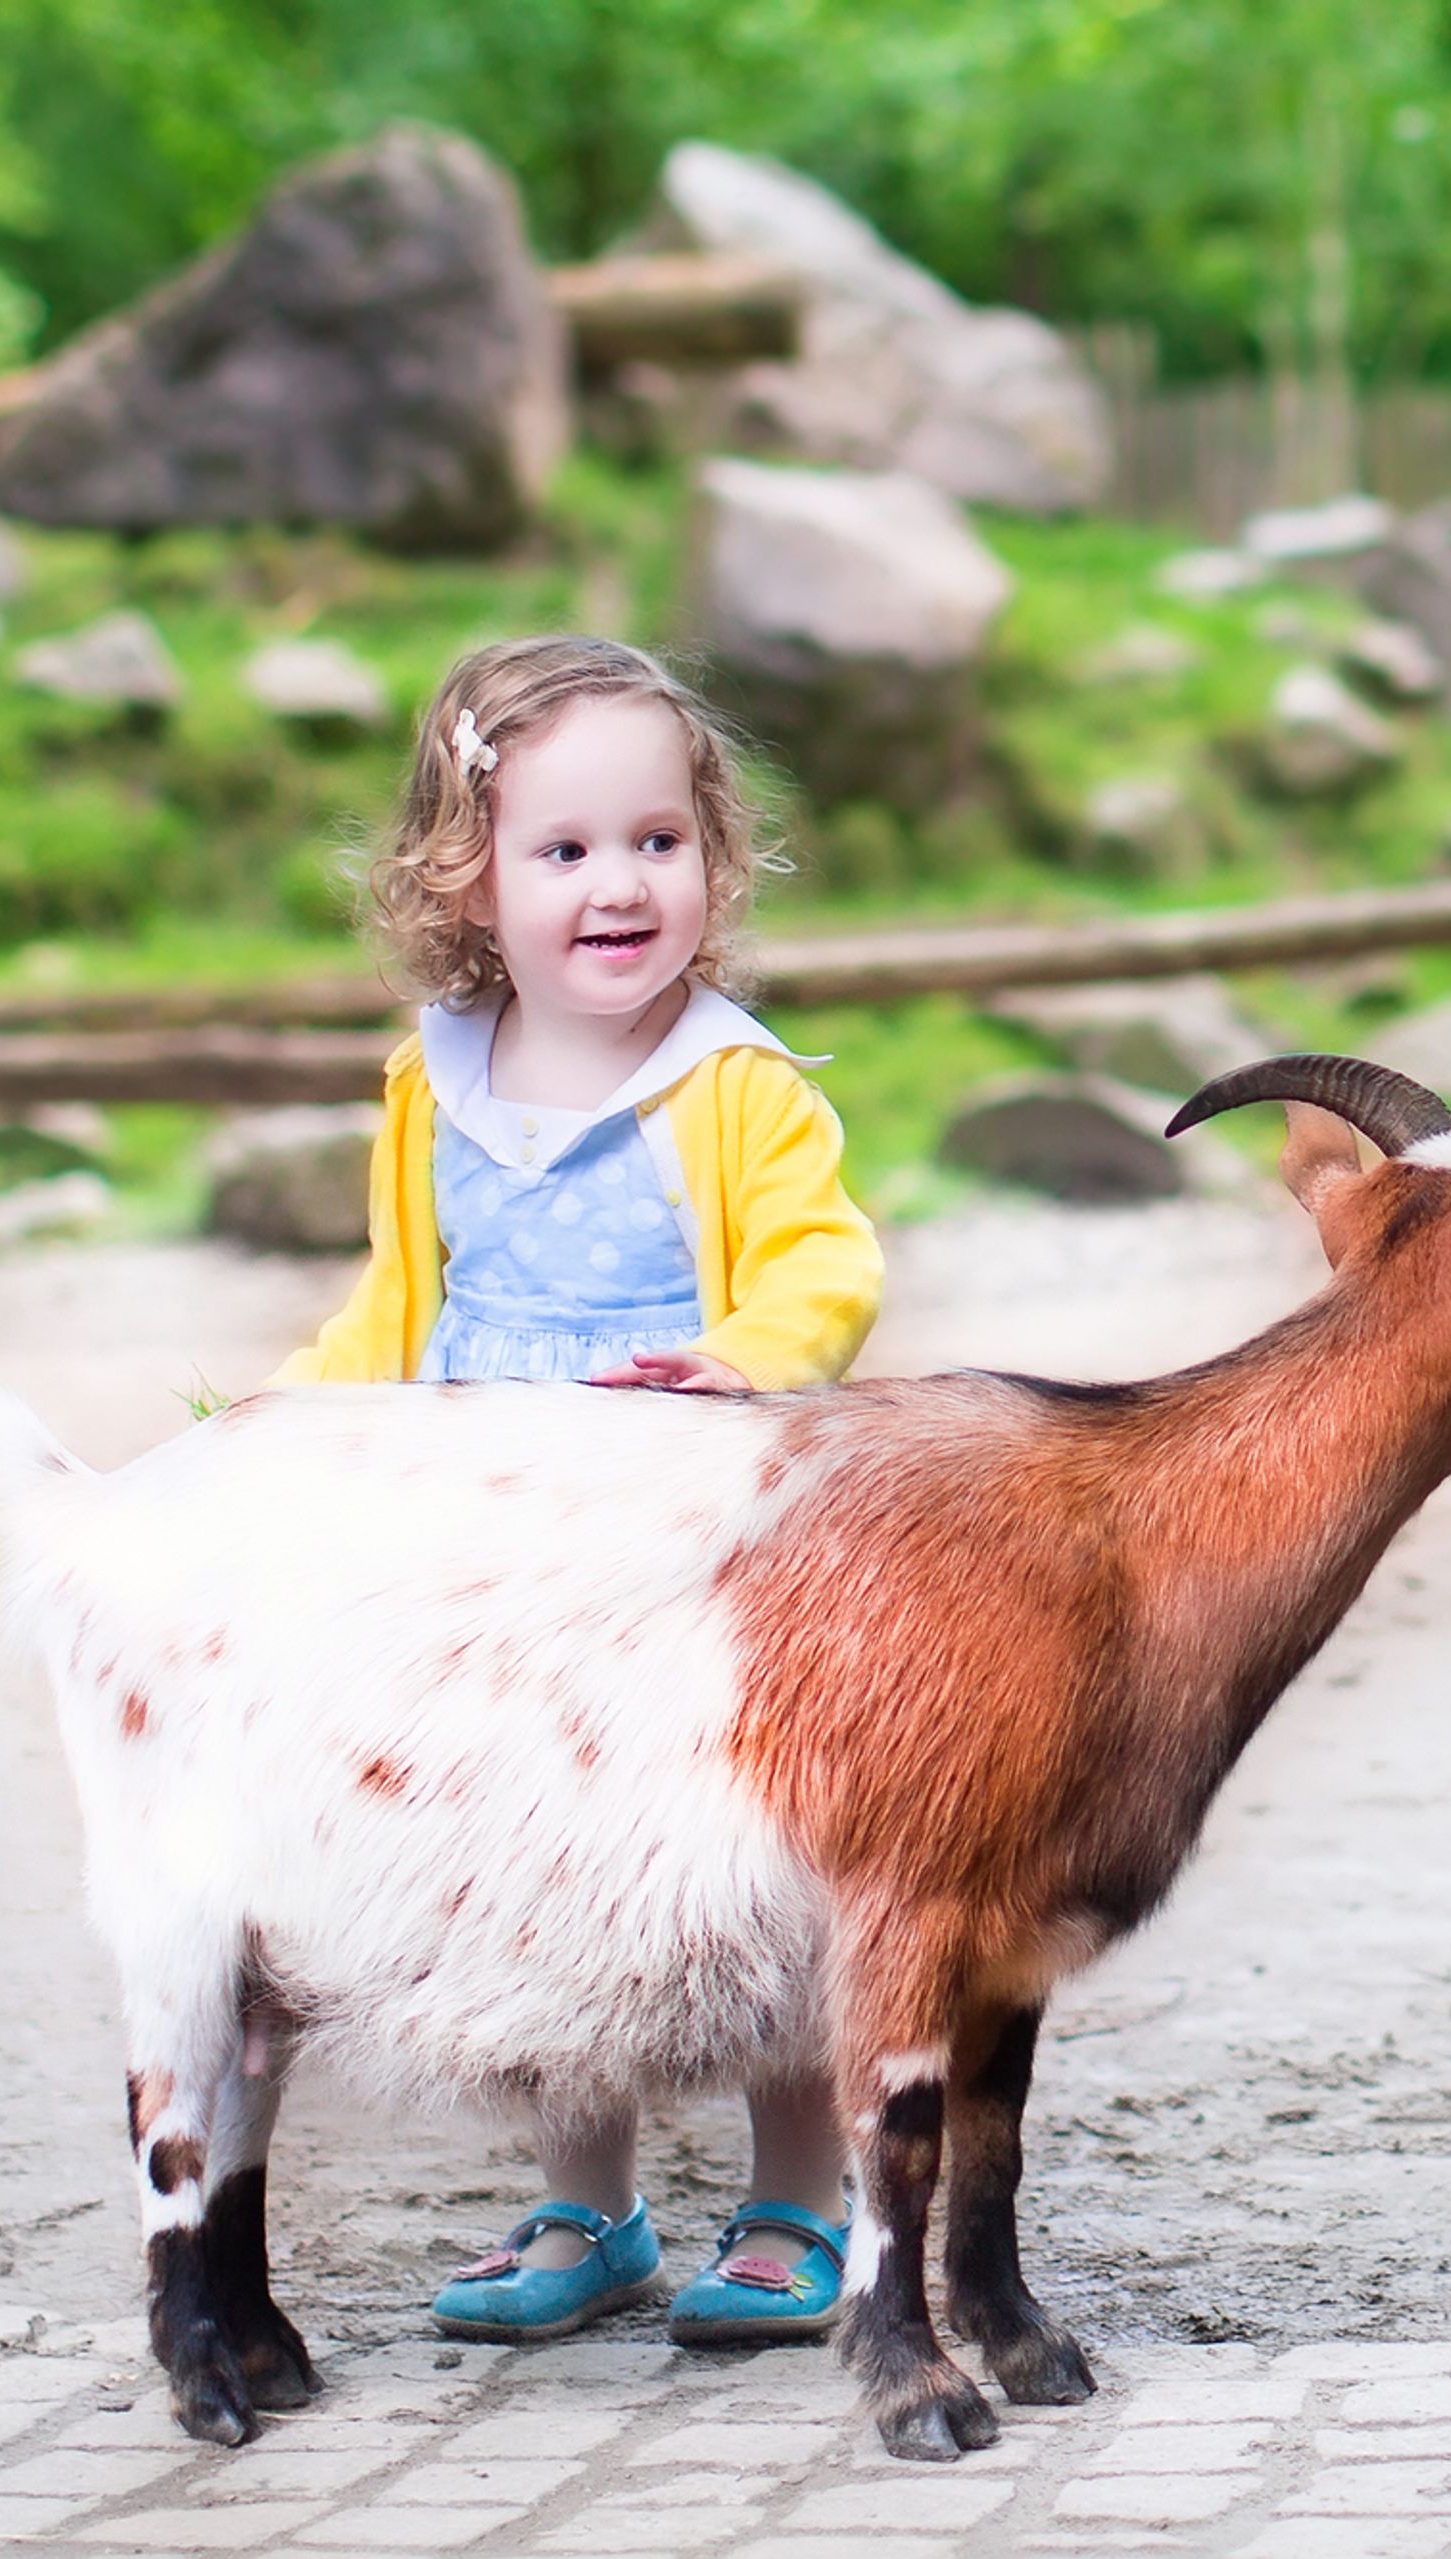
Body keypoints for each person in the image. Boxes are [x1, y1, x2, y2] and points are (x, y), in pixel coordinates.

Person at [275, 634, 882, 2346]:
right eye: (563, 851)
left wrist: (754, 1351)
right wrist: (277, 1417)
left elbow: (825, 1263)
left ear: (713, 857)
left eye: (657, 842)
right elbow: (395, 1306)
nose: (620, 884)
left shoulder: (732, 1084)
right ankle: (589, 2205)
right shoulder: (435, 1078)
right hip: (502, 1557)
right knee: (542, 1867)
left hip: (694, 1542)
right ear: (463, 879)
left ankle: (796, 2202)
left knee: (752, 1870)